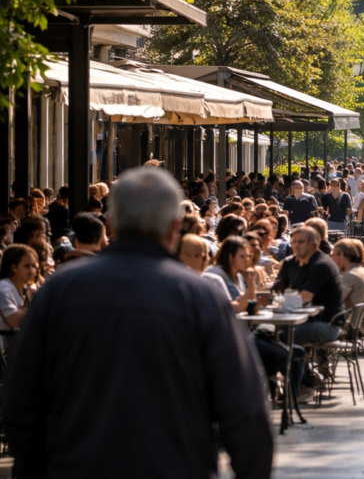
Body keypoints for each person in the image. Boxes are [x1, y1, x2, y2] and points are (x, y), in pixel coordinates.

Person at [2, 167, 273, 478]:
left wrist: (38, 465)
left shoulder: (58, 292)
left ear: (111, 224)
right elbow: (245, 409)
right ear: (174, 227)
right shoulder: (200, 298)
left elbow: (21, 396)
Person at [273, 226, 345, 346]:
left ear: (314, 244)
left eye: (301, 242)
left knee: (280, 337)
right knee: (264, 332)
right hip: (303, 319)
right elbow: (276, 290)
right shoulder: (290, 263)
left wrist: (283, 297)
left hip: (327, 324)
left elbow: (305, 296)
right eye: (293, 242)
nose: (296, 246)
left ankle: (295, 363)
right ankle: (297, 362)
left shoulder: (322, 265)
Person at [332, 238, 364, 337]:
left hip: (357, 326)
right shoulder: (361, 271)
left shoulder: (352, 275)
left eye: (334, 254)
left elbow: (335, 301)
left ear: (343, 255)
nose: (332, 258)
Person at [0, 244, 37, 331]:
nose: (32, 271)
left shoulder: (24, 289)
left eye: (34, 266)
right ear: (13, 267)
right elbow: (14, 320)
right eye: (27, 266)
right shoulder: (3, 287)